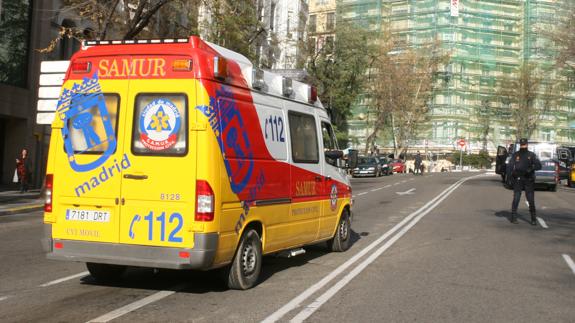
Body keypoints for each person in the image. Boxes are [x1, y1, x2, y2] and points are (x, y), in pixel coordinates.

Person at [510, 138, 542, 225]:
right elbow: (510, 166)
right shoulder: (518, 154)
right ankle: (531, 219)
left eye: (523, 144)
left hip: (528, 178)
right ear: (524, 144)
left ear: (525, 144)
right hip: (520, 178)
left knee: (527, 198)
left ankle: (530, 218)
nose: (523, 145)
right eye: (522, 144)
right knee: (520, 198)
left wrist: (531, 168)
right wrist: (512, 176)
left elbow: (539, 165)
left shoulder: (530, 155)